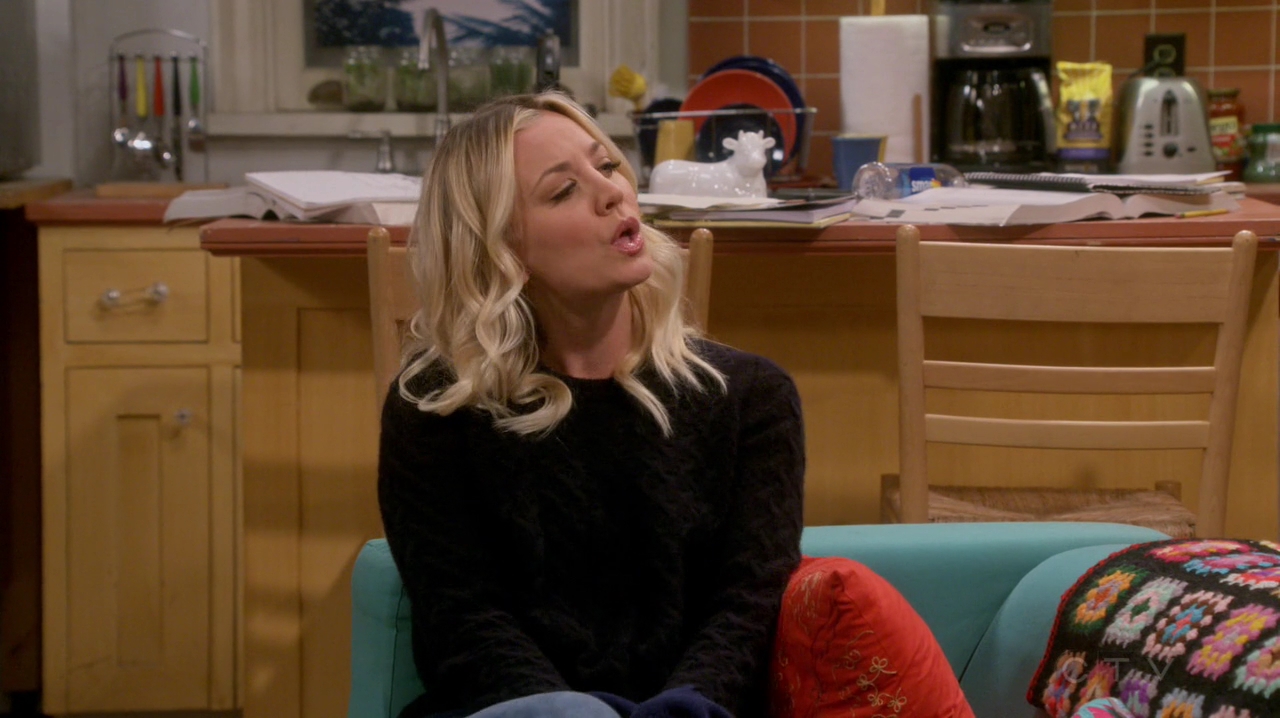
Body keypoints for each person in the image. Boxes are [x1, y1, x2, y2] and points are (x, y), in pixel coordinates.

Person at [378, 91, 805, 718]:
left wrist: (680, 712)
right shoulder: (435, 409)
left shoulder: (751, 399)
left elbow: (747, 612)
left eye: (605, 165)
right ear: (502, 251)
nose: (612, 193)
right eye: (563, 191)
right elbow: (464, 623)